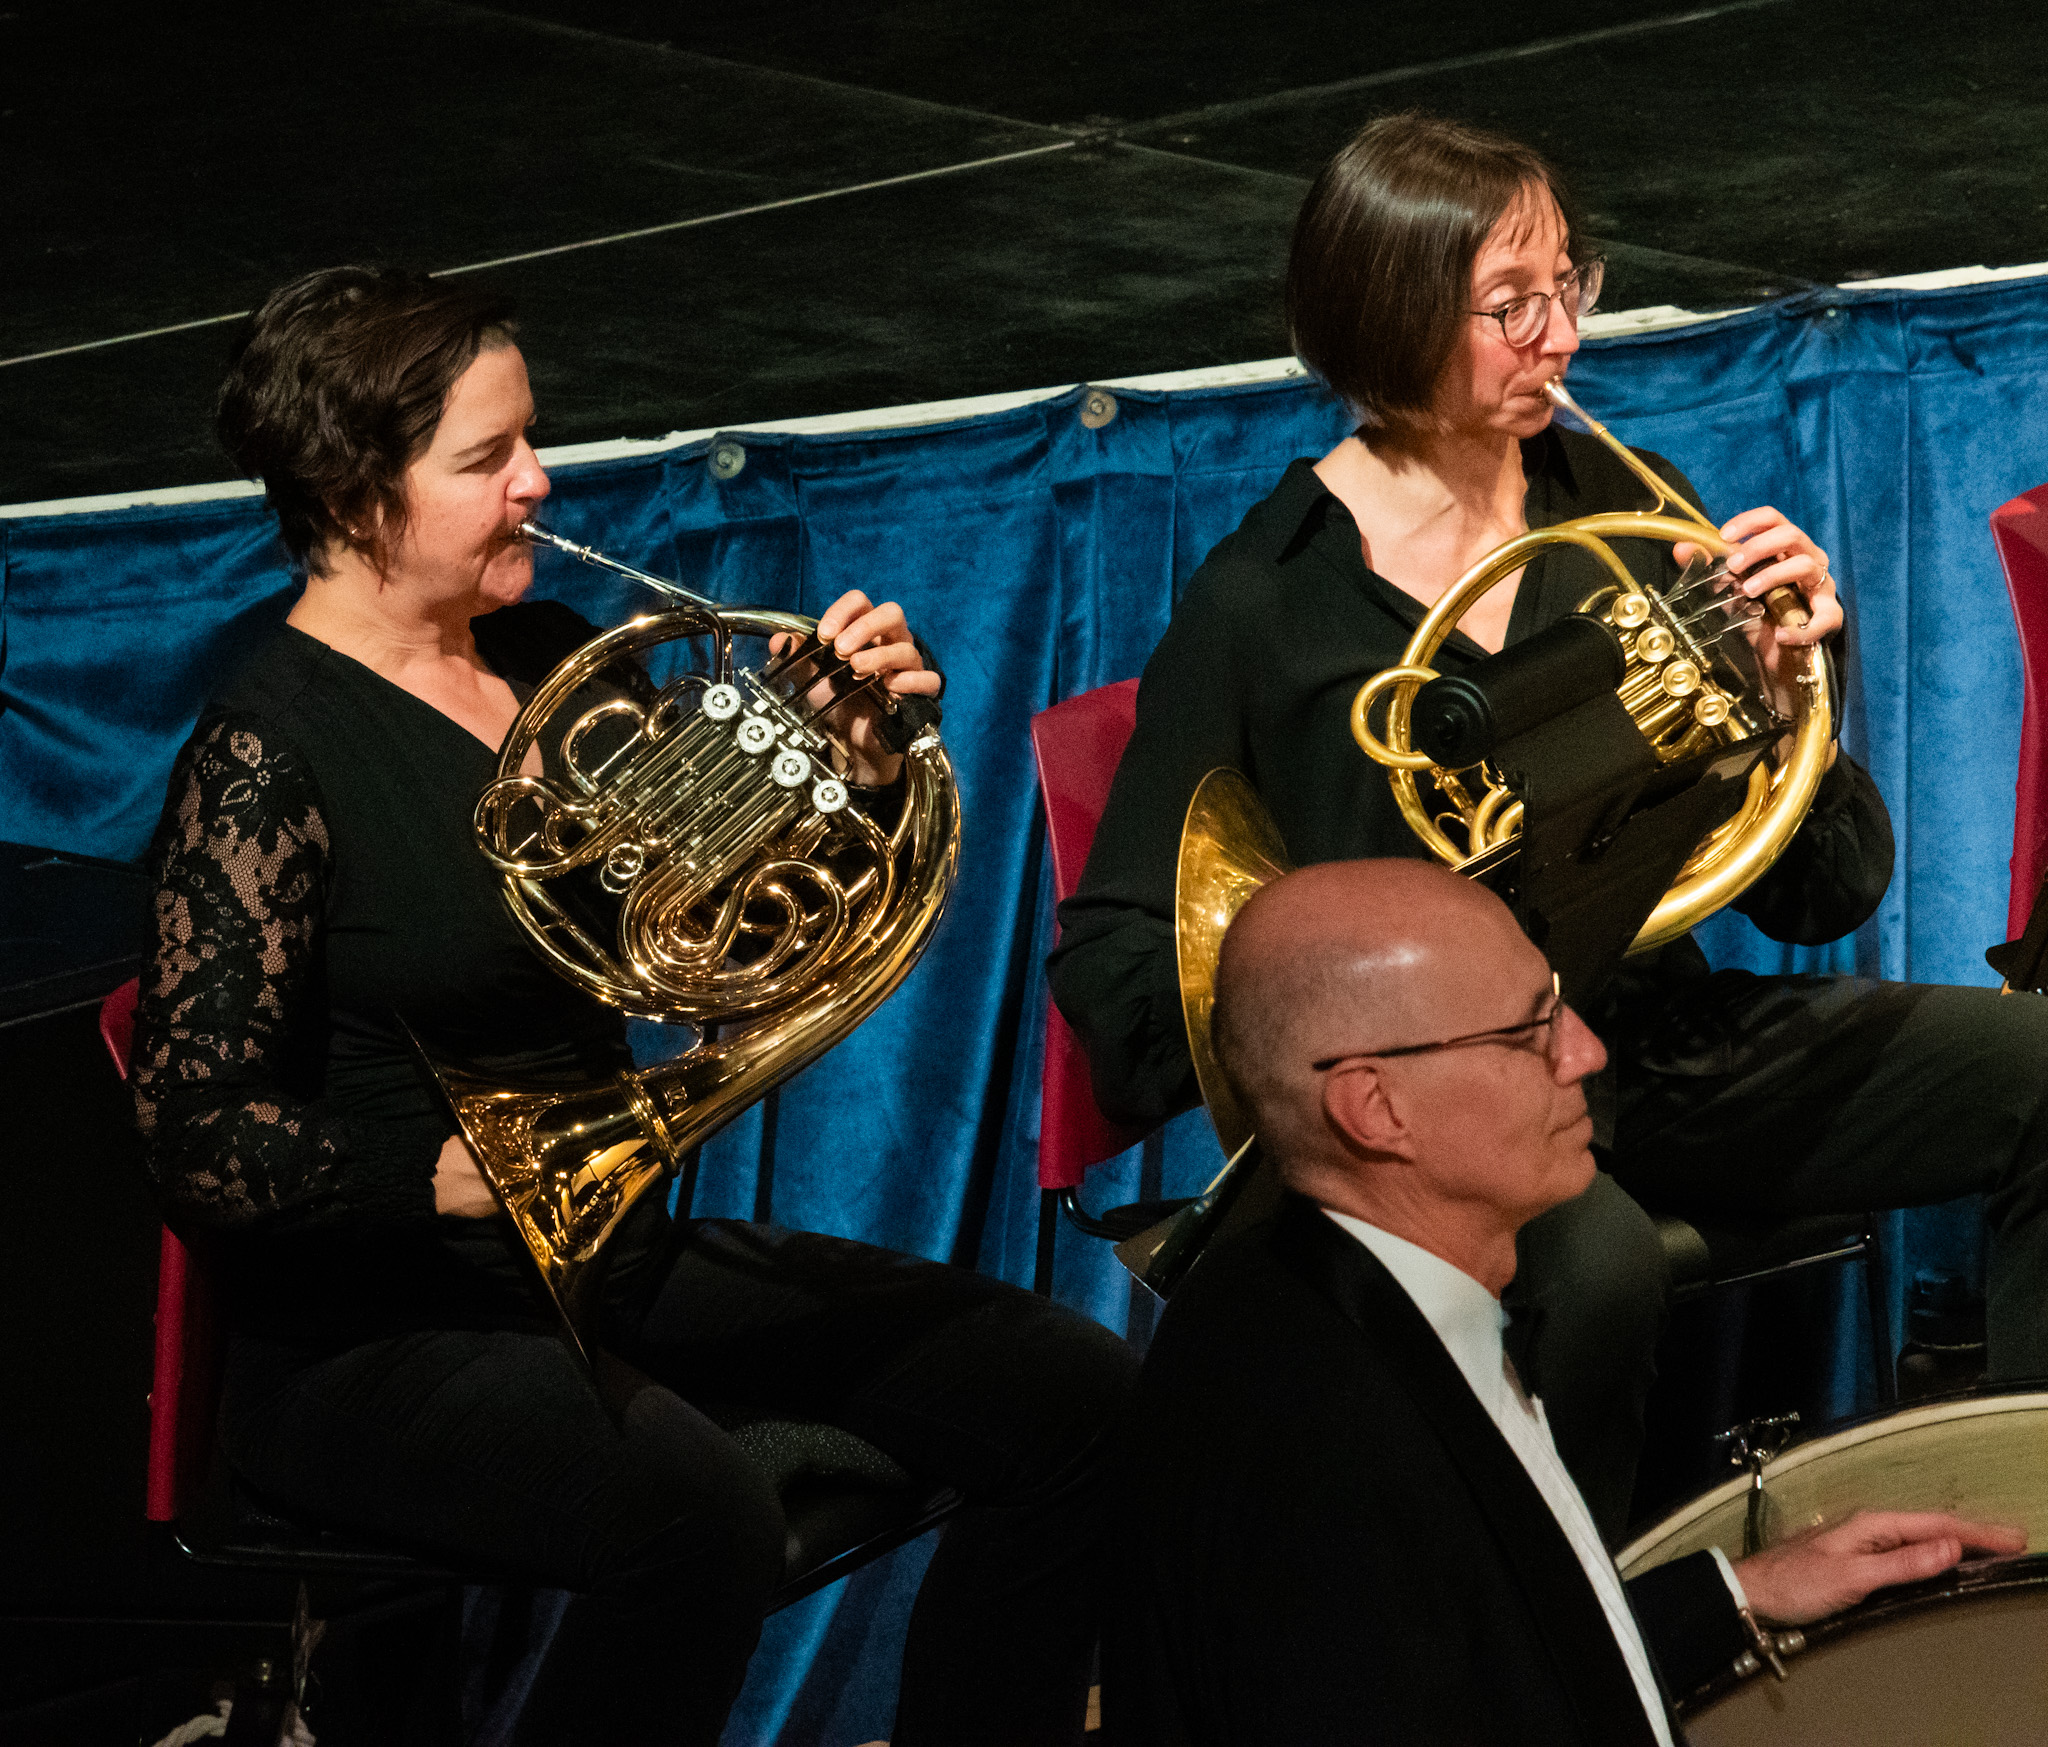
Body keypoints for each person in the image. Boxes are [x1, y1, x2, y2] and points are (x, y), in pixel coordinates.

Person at [132, 264, 1136, 1746]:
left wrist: (852, 761)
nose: (539, 481)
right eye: (486, 458)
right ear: (353, 495)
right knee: (695, 1517)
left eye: (530, 438)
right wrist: (440, 1173)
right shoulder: (263, 758)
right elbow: (197, 1133)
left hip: (608, 1259)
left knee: (1074, 1396)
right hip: (373, 1336)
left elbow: (704, 910)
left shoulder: (547, 661)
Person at [1047, 111, 2048, 1539]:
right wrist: (1332, 1021)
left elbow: (1826, 893)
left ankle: (2024, 1546)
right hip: (1443, 1099)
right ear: (1388, 316)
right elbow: (1117, 968)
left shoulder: (1631, 518)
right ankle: (1557, 1634)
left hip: (1653, 1041)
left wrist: (1792, 701)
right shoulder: (1262, 600)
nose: (1562, 335)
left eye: (1568, 282)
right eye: (1508, 305)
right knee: (1596, 1270)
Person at [1102, 857, 2025, 1747]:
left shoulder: (1355, 1297)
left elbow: (1478, 1662)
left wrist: (1734, 1590)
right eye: (1529, 1030)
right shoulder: (1325, 1448)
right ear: (1375, 1108)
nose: (1585, 1051)